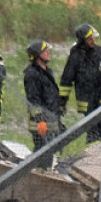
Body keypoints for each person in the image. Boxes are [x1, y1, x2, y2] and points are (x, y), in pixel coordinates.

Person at [59, 24, 101, 143]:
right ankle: (92, 156)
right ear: (82, 41)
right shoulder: (75, 57)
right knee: (93, 134)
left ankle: (99, 154)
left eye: (93, 38)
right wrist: (62, 102)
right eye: (90, 39)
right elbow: (66, 81)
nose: (93, 41)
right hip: (86, 102)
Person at [23, 39, 64, 170]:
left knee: (48, 152)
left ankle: (42, 172)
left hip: (50, 119)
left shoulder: (47, 71)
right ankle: (36, 174)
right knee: (41, 152)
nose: (48, 52)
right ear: (37, 55)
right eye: (44, 51)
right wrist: (40, 121)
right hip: (40, 124)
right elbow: (33, 100)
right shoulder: (31, 74)